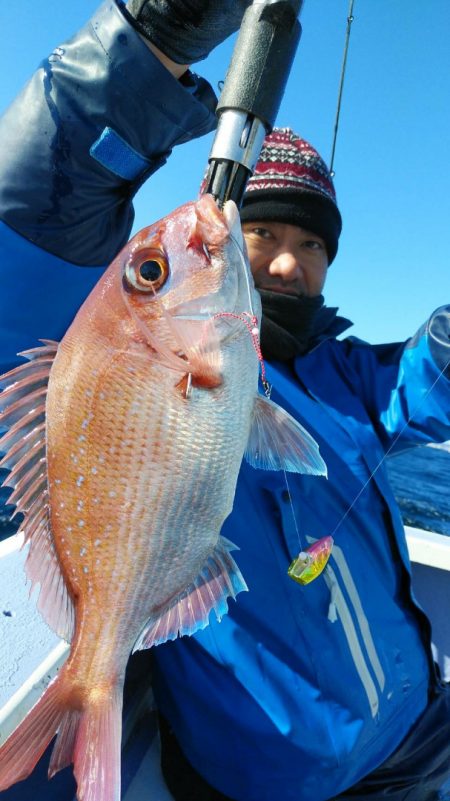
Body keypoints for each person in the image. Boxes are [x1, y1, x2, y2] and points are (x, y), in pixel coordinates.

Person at [0, 4, 448, 801]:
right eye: (266, 231)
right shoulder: (109, 344)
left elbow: (432, 377)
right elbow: (29, 229)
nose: (286, 264)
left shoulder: (352, 379)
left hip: (426, 742)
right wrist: (145, 48)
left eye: (312, 244)